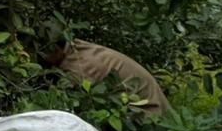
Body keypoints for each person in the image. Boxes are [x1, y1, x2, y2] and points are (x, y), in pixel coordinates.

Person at [38, 22, 170, 116]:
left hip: (150, 112)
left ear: (57, 49)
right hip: (139, 102)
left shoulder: (79, 65)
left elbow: (76, 107)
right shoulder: (76, 47)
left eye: (43, 55)